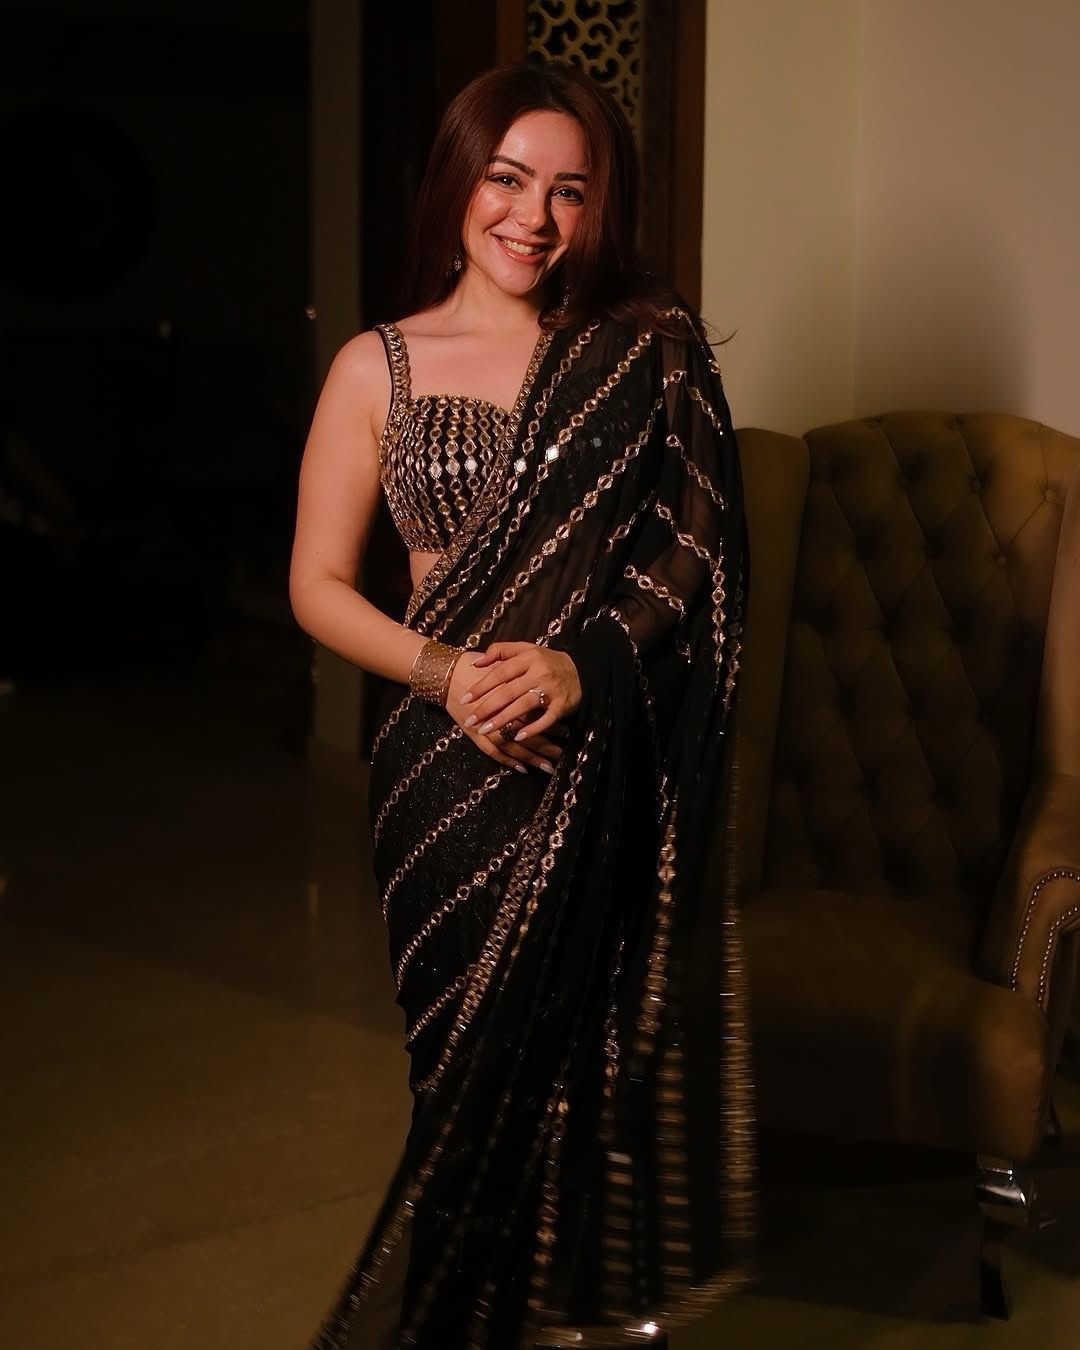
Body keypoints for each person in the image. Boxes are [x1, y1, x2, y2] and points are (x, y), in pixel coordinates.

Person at [289, 60, 751, 1350]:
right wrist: (450, 676)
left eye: (570, 191)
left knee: (592, 1085)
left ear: (601, 207)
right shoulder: (378, 365)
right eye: (506, 179)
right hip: (444, 777)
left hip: (596, 755)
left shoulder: (645, 348)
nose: (533, 218)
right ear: (459, 182)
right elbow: (316, 586)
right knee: (465, 1090)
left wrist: (577, 667)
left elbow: (697, 553)